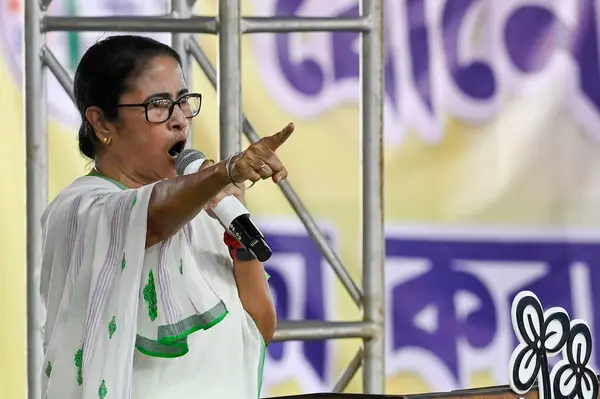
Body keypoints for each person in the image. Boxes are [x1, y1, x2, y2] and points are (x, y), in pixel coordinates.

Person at [39, 34, 294, 399]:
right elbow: (149, 218)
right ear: (102, 124)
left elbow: (258, 327)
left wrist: (239, 240)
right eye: (158, 105)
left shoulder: (207, 210)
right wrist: (224, 172)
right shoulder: (81, 209)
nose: (179, 121)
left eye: (183, 102)